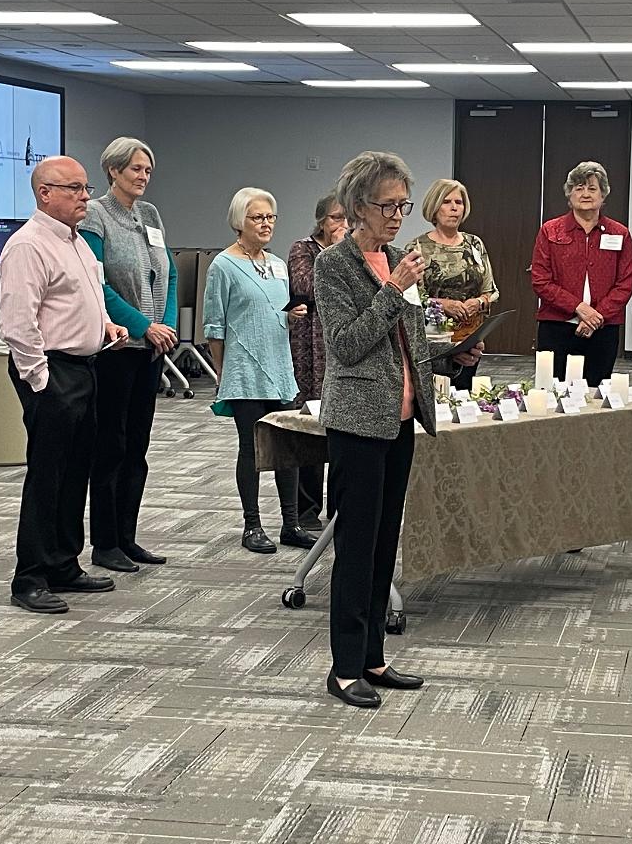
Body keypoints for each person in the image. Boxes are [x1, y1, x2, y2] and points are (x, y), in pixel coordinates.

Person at [315, 151, 483, 709]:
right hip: (359, 422)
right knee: (356, 546)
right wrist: (393, 290)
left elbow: (406, 340)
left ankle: (372, 657)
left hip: (402, 418)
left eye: (403, 206)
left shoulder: (395, 258)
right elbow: (346, 344)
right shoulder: (334, 265)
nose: (397, 216)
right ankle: (344, 669)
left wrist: (454, 354)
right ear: (358, 205)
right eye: (388, 206)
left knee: (386, 539)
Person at [0, 155, 129, 614]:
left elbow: (85, 300)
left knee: (76, 472)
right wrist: (41, 379)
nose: (84, 197)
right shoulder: (28, 245)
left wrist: (105, 326)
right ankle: (30, 577)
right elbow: (18, 322)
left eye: (85, 188)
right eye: (74, 189)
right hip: (52, 372)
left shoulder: (77, 243)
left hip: (86, 367)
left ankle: (63, 564)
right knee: (48, 475)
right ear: (44, 193)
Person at [78, 136, 177, 574]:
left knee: (138, 447)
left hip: (151, 349)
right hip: (117, 349)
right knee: (111, 446)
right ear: (113, 171)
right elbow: (96, 286)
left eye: (148, 170)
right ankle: (104, 542)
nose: (143, 176)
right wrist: (142, 325)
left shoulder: (150, 214)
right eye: (136, 168)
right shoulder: (95, 215)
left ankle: (127, 536)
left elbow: (169, 275)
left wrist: (165, 326)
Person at [204, 187, 319, 555]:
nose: (266, 223)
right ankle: (252, 525)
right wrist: (221, 373)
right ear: (240, 221)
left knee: (289, 448)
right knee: (251, 449)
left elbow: (274, 313)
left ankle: (292, 524)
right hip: (244, 371)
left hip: (280, 368)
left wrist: (291, 315)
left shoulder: (278, 265)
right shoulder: (223, 266)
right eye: (258, 217)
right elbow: (214, 327)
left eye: (271, 217)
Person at [531, 160, 632, 387]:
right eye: (579, 188)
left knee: (595, 394)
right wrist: (579, 308)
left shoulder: (620, 233)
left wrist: (596, 317)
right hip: (557, 327)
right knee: (553, 392)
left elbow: (625, 283)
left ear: (603, 194)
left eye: (592, 188)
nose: (585, 194)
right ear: (569, 195)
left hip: (603, 328)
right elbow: (540, 280)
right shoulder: (550, 230)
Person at [286, 193, 347, 530]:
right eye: (336, 217)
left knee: (341, 432)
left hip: (341, 349)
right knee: (310, 429)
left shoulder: (353, 252)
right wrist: (337, 252)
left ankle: (339, 509)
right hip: (309, 352)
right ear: (322, 220)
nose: (342, 224)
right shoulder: (303, 249)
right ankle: (306, 511)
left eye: (347, 218)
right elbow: (308, 287)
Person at [404, 178, 499, 392]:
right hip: (434, 341)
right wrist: (442, 304)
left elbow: (491, 291)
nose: (454, 208)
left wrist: (478, 302)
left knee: (463, 395)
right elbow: (411, 298)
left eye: (459, 202)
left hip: (469, 339)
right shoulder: (417, 247)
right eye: (446, 202)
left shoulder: (475, 244)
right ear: (434, 207)